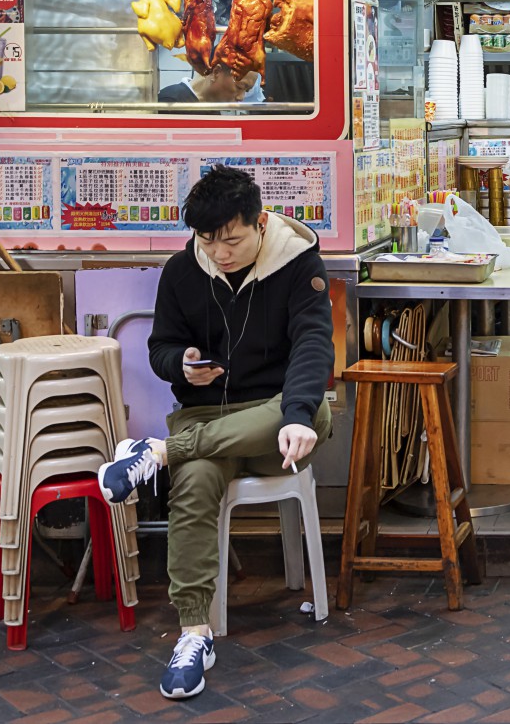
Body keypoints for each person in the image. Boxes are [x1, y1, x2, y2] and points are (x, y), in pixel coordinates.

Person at [95, 165, 334, 700]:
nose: (220, 252)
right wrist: (181, 363)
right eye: (208, 241)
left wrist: (294, 412)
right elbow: (159, 348)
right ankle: (193, 633)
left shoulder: (299, 266)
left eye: (232, 239)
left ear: (261, 223)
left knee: (313, 415)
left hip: (275, 424)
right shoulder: (182, 271)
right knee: (196, 478)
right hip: (206, 419)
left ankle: (156, 452)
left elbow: (314, 343)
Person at [158, 66, 264, 105]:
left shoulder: (212, 106)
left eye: (247, 90)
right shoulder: (170, 102)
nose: (241, 97)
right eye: (239, 87)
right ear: (216, 72)